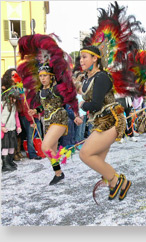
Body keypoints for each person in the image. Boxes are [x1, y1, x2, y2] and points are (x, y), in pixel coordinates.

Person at [18, 34, 81, 185]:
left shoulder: (57, 89)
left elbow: (67, 102)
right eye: (40, 76)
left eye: (45, 76)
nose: (42, 78)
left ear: (51, 76)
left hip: (59, 119)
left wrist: (75, 117)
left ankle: (59, 173)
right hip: (47, 121)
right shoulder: (40, 91)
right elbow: (43, 106)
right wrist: (36, 111)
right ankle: (58, 171)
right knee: (50, 152)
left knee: (45, 147)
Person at [78, 45, 131, 201]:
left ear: (95, 58)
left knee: (85, 154)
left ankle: (118, 180)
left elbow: (94, 104)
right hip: (100, 121)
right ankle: (116, 184)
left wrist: (83, 105)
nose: (81, 60)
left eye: (84, 57)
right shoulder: (87, 78)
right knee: (98, 160)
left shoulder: (101, 77)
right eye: (80, 57)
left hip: (111, 119)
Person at [1, 79, 22, 172]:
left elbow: (16, 117)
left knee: (12, 146)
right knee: (5, 146)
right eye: (12, 98)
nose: (14, 100)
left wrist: (18, 126)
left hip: (12, 128)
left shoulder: (14, 106)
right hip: (4, 129)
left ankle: (10, 161)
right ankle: (5, 164)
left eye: (15, 99)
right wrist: (1, 126)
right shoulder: (2, 105)